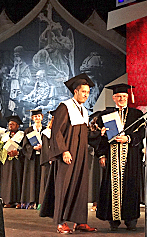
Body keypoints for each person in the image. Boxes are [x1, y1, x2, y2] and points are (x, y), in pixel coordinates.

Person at [40, 73, 97, 234]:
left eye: (88, 92)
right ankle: (60, 222)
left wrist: (99, 133)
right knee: (63, 187)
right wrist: (63, 150)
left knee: (81, 186)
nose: (86, 95)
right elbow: (56, 131)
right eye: (83, 91)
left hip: (81, 156)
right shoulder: (65, 107)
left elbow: (84, 134)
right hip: (67, 155)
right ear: (75, 91)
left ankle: (80, 222)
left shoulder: (84, 111)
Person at [95, 83, 144, 231]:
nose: (122, 99)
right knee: (111, 186)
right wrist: (101, 154)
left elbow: (142, 134)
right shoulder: (105, 115)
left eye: (124, 96)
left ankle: (131, 219)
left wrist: (128, 138)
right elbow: (100, 138)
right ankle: (113, 220)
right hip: (112, 156)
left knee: (131, 185)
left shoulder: (137, 115)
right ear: (114, 98)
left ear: (128, 98)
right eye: (119, 96)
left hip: (130, 157)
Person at [20, 109, 46, 209]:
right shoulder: (28, 130)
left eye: (39, 116)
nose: (37, 118)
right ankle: (31, 201)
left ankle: (41, 202)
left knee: (41, 178)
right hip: (32, 158)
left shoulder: (45, 130)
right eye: (35, 116)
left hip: (43, 157)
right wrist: (33, 148)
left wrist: (42, 148)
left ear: (42, 117)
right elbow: (25, 146)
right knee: (31, 179)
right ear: (32, 118)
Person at [0, 115, 25, 208]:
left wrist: (18, 152)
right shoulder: (5, 135)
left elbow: (25, 148)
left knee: (17, 179)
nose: (11, 126)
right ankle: (7, 201)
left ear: (18, 126)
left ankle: (18, 201)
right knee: (6, 180)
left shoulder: (21, 135)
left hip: (17, 161)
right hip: (7, 161)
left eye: (13, 124)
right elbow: (1, 147)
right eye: (10, 124)